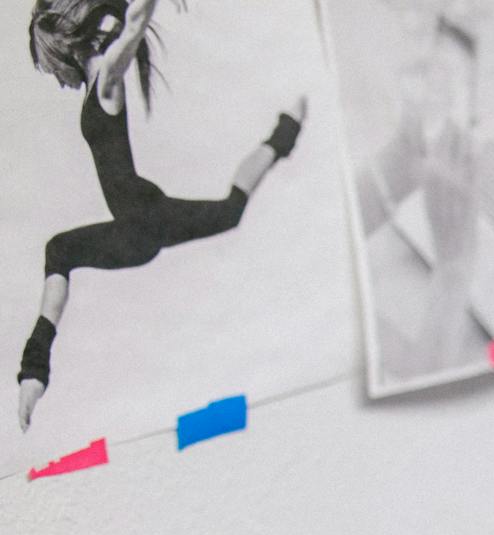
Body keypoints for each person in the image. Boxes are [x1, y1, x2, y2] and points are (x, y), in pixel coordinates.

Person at [18, 0, 306, 429]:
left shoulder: (107, 82)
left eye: (50, 68)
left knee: (61, 250)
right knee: (228, 212)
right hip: (140, 221)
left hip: (143, 222)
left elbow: (135, 21)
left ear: (64, 48)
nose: (57, 81)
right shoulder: (99, 85)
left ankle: (286, 130)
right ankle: (34, 372)